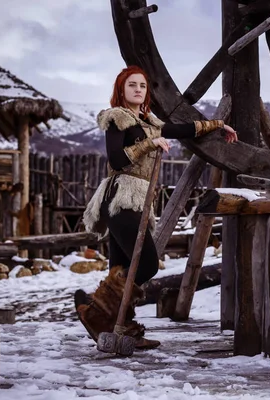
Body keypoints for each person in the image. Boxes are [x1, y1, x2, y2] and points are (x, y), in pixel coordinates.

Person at [74, 65, 237, 350]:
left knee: (121, 267)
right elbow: (116, 158)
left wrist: (217, 125)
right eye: (132, 85)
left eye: (143, 86)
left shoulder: (149, 121)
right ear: (121, 90)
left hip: (138, 200)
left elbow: (184, 129)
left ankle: (120, 329)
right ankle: (98, 313)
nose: (138, 89)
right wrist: (149, 145)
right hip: (120, 197)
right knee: (145, 264)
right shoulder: (117, 119)